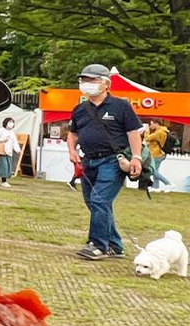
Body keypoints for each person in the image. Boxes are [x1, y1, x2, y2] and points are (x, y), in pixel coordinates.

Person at [66, 63, 143, 261]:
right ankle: (115, 245)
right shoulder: (80, 109)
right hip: (87, 161)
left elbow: (133, 133)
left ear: (106, 84)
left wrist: (136, 157)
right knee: (95, 203)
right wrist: (72, 151)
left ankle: (98, 245)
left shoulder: (121, 106)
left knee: (100, 200)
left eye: (92, 80)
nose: (86, 84)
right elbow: (72, 134)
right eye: (83, 80)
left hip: (112, 161)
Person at [144, 119, 173, 193]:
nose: (151, 126)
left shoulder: (159, 132)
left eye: (152, 124)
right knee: (155, 170)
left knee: (152, 170)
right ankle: (156, 187)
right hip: (158, 153)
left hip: (157, 153)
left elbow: (147, 138)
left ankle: (168, 183)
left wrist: (146, 131)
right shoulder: (163, 131)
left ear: (157, 124)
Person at [0, 117, 22, 187]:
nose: (11, 124)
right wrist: (2, 140)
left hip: (8, 151)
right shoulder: (0, 130)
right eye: (9, 122)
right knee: (4, 165)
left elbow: (15, 142)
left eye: (12, 122)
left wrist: (18, 150)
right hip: (1, 150)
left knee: (3, 165)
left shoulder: (12, 133)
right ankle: (4, 181)